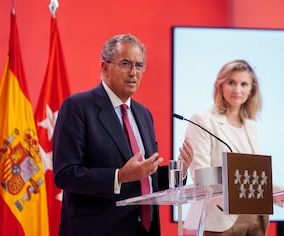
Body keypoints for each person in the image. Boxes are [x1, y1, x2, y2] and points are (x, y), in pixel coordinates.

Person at [52, 34, 193, 236]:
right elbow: (65, 174)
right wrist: (119, 176)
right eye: (125, 63)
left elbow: (145, 178)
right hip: (97, 229)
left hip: (143, 229)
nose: (133, 73)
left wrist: (179, 171)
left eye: (139, 65)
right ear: (105, 67)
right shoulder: (78, 107)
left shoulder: (144, 114)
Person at [183, 59, 272, 236]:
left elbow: (253, 175)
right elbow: (201, 174)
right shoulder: (202, 120)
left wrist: (281, 192)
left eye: (244, 84)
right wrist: (235, 201)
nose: (237, 90)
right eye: (231, 83)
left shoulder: (250, 126)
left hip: (255, 219)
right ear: (220, 85)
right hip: (217, 221)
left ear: (251, 90)